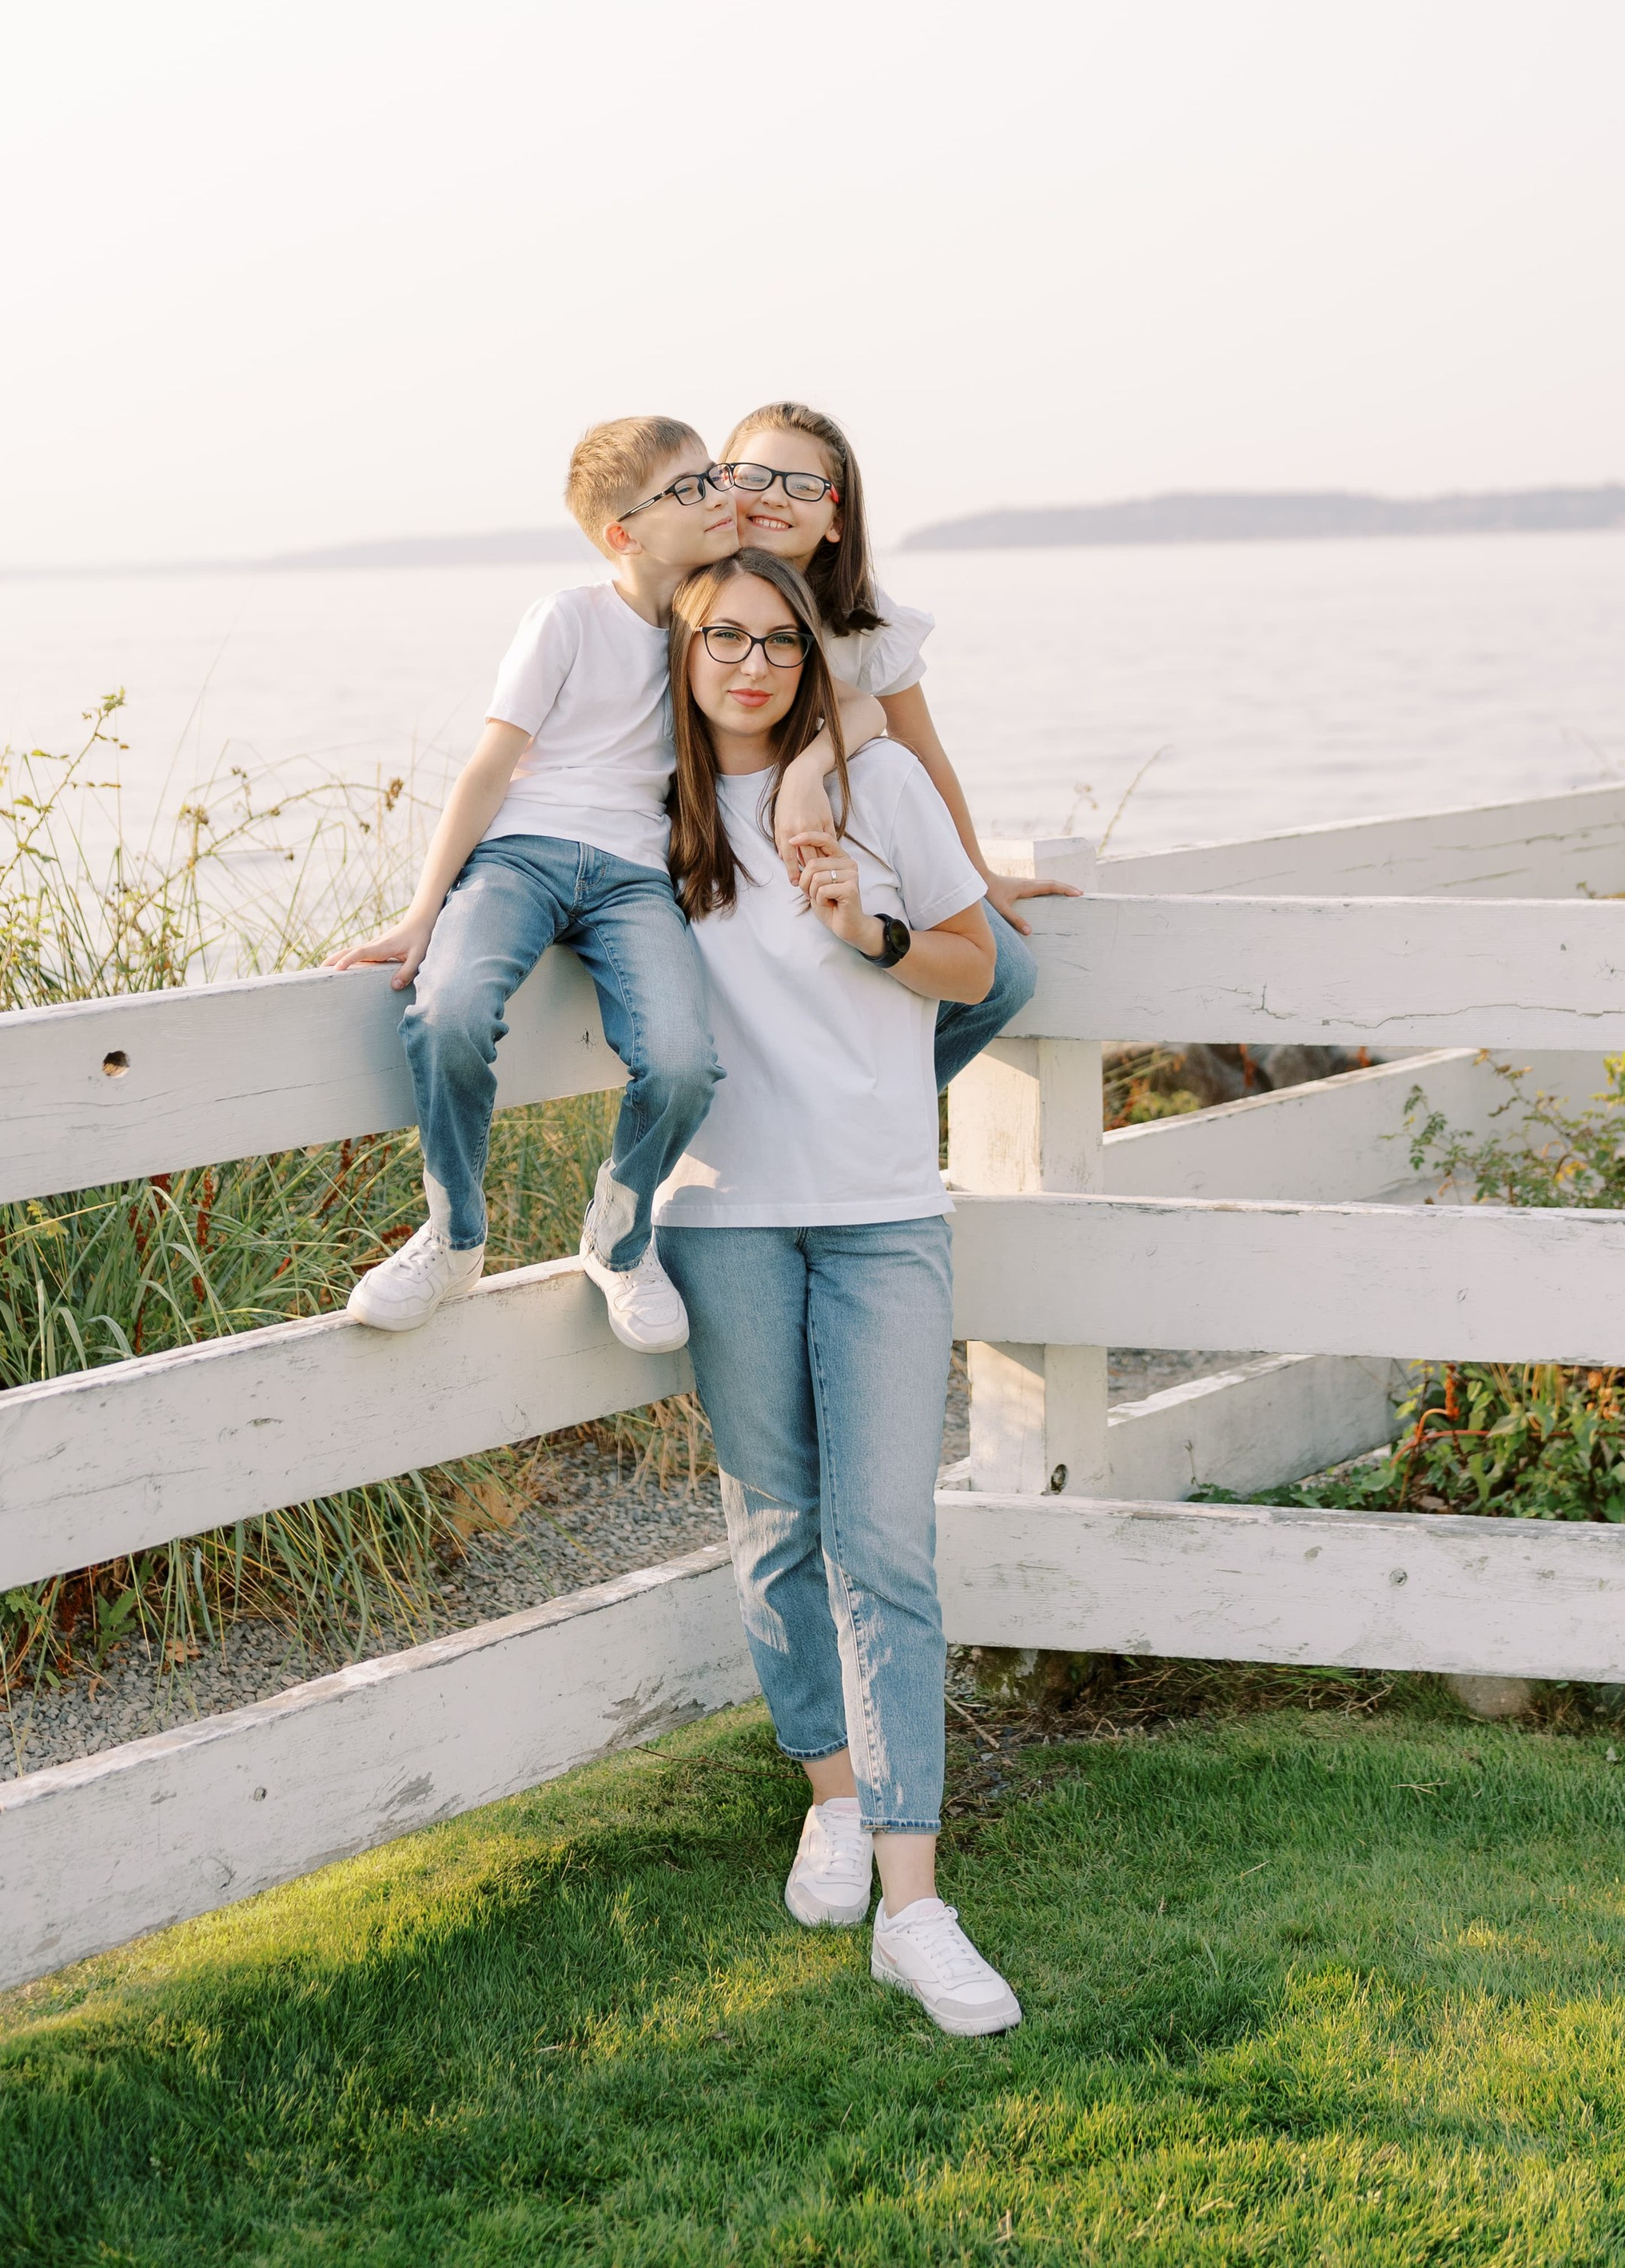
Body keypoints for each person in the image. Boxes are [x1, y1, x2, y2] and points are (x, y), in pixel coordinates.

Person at [654, 545, 1024, 2037]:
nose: (752, 664)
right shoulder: (646, 813)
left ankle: (916, 1906)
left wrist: (861, 927)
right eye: (721, 639)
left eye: (781, 643)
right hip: (725, 1218)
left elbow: (979, 961)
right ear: (680, 656)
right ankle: (829, 1789)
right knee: (772, 1528)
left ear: (816, 657)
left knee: (887, 1543)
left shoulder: (882, 791)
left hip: (879, 1215)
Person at [327, 416, 881, 1353]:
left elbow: (854, 700)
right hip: (521, 855)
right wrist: (425, 911)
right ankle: (453, 1235)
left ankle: (618, 1238)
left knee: (680, 1062)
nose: (720, 500)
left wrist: (799, 775)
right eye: (690, 490)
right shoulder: (567, 618)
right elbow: (488, 768)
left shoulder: (707, 628)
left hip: (633, 879)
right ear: (623, 533)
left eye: (713, 479)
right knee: (449, 1011)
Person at [714, 399, 1077, 1086]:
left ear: (837, 519)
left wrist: (975, 874)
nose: (773, 498)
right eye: (753, 475)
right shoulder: (693, 600)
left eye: (803, 486)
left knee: (1005, 977)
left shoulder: (864, 625)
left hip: (847, 850)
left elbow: (919, 746)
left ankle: (880, 1114)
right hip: (725, 846)